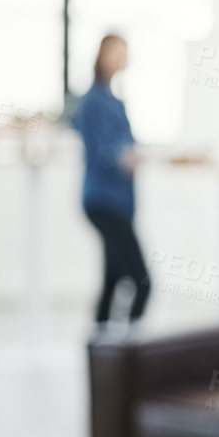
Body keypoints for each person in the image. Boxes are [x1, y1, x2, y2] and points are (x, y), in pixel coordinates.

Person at [73, 34, 151, 340]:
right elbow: (101, 150)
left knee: (114, 278)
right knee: (142, 281)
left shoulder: (115, 100)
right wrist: (124, 157)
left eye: (125, 52)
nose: (122, 58)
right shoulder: (92, 101)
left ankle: (100, 351)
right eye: (117, 52)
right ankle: (128, 353)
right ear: (103, 54)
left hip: (120, 202)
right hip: (104, 201)